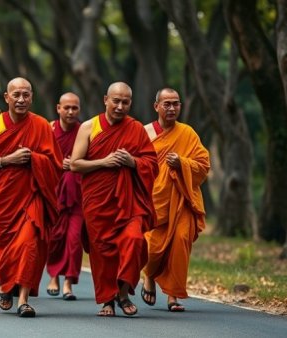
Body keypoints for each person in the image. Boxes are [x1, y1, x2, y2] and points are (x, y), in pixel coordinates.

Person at [0, 77, 63, 317]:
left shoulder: (42, 125)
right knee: (5, 249)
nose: (22, 99)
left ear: (32, 97)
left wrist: (35, 159)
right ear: (7, 97)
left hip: (32, 196)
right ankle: (5, 286)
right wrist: (8, 160)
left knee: (29, 244)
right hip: (2, 198)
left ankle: (23, 299)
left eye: (26, 94)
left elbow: (55, 164)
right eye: (17, 95)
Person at [70, 82, 158, 317]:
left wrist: (133, 162)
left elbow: (152, 163)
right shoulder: (89, 127)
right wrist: (104, 162)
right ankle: (107, 300)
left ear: (131, 103)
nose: (120, 106)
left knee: (135, 241)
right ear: (105, 100)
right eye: (116, 101)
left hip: (130, 203)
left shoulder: (137, 129)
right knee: (102, 253)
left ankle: (123, 292)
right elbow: (75, 164)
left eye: (125, 102)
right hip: (98, 201)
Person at [141, 88, 210, 312]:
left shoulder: (188, 133)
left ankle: (173, 295)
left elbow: (203, 165)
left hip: (182, 200)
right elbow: (137, 165)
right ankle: (149, 276)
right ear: (156, 106)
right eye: (167, 104)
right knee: (151, 249)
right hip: (155, 200)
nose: (172, 108)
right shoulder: (145, 133)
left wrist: (183, 163)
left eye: (176, 104)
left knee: (180, 241)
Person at [45, 92, 84, 301]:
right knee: (54, 237)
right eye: (66, 107)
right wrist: (59, 163)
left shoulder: (84, 131)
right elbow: (40, 157)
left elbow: (93, 158)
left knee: (74, 240)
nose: (70, 112)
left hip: (78, 194)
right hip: (52, 192)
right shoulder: (48, 130)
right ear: (58, 108)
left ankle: (69, 281)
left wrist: (76, 164)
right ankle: (54, 276)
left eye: (74, 108)